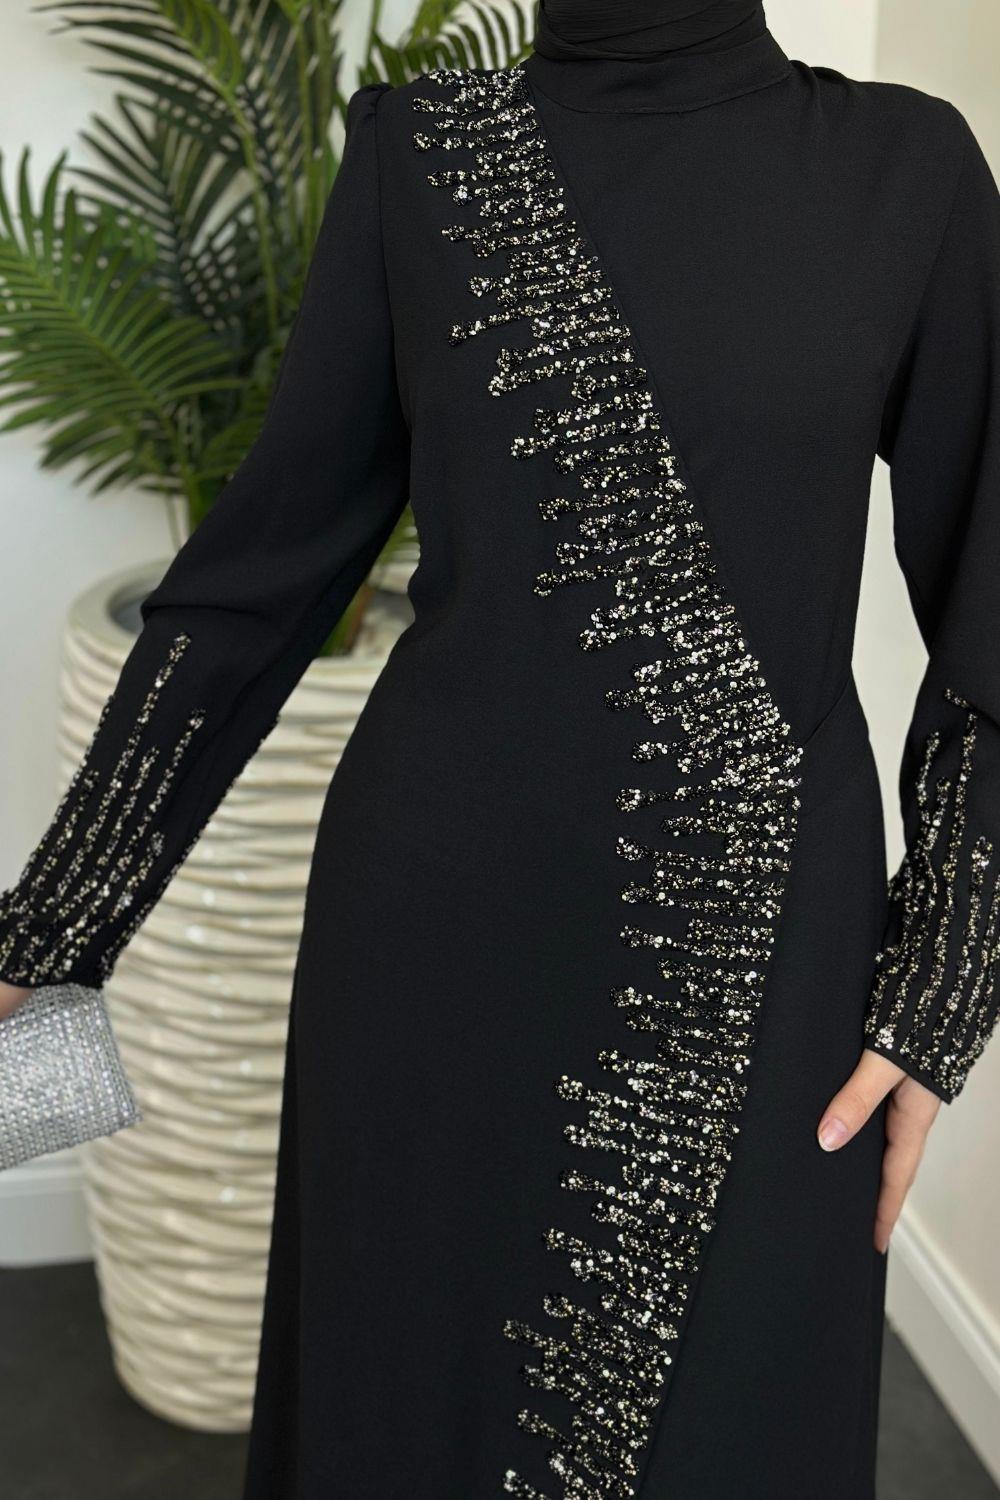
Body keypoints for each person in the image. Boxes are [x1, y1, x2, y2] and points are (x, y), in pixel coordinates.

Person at [2, 1, 998, 1494]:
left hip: (760, 964)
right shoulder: (428, 158)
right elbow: (261, 579)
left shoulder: (903, 172)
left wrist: (941, 987)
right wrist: (49, 928)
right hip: (430, 956)